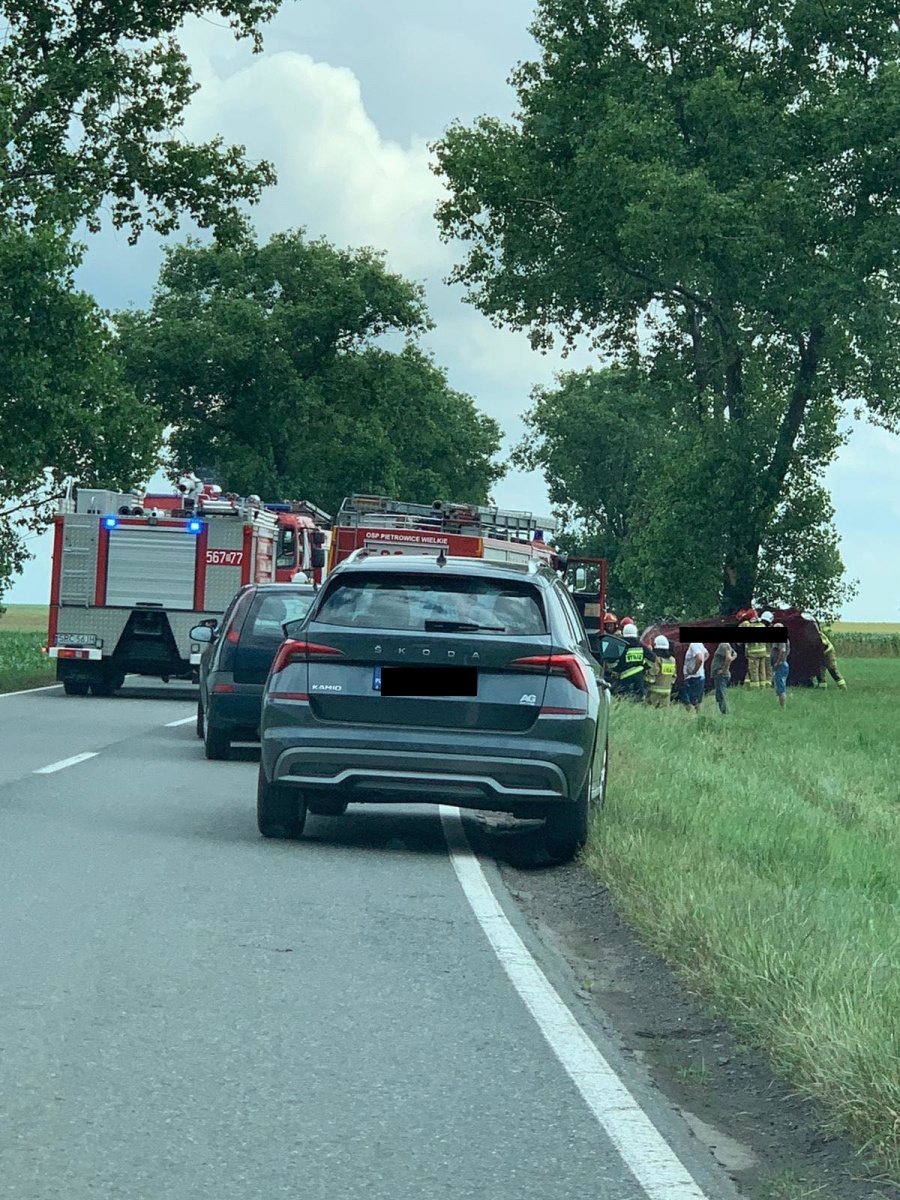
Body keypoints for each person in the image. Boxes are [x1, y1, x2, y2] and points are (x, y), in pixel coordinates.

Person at [611, 622, 654, 701]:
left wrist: (616, 669)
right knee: (638, 699)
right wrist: (644, 666)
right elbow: (653, 658)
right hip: (639, 677)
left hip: (624, 677)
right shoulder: (641, 646)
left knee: (623, 698)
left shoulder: (620, 645)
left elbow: (612, 661)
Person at [739, 607, 768, 689]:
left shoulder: (749, 626)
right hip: (763, 651)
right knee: (762, 670)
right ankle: (763, 687)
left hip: (753, 653)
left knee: (754, 671)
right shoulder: (762, 625)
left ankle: (755, 688)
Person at [645, 634, 676, 707]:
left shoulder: (657, 659)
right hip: (667, 692)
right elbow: (673, 677)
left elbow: (651, 678)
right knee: (663, 714)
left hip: (655, 692)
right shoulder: (672, 660)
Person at [710, 638, 737, 714]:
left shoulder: (724, 645)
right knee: (719, 694)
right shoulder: (725, 645)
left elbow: (728, 657)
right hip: (719, 675)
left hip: (721, 675)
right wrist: (730, 661)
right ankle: (724, 711)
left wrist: (723, 669)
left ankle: (725, 713)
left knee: (721, 695)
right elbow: (734, 654)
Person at [683, 641, 709, 713]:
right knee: (697, 701)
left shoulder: (694, 644)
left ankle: (691, 716)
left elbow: (700, 658)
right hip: (699, 676)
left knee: (688, 699)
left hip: (694, 677)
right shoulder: (699, 643)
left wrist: (694, 670)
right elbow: (707, 654)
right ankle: (698, 717)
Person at [770, 624, 790, 708]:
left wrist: (778, 662)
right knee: (778, 686)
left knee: (781, 687)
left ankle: (783, 707)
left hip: (780, 665)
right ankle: (780, 705)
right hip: (780, 665)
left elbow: (782, 650)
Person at [759, 610, 775, 687]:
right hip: (768, 655)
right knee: (768, 671)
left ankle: (760, 685)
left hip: (757, 654)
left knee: (759, 670)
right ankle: (768, 685)